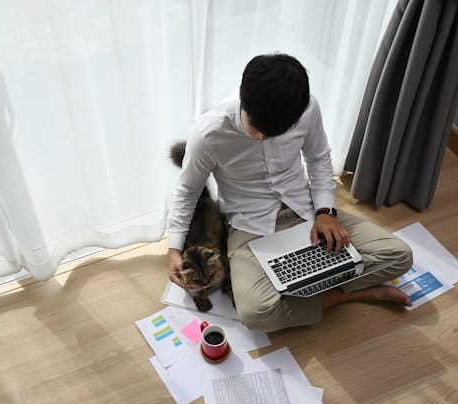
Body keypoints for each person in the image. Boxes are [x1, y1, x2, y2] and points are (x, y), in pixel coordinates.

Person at [167, 53, 413, 332]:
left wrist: (325, 212)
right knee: (255, 314)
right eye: (257, 128)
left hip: (305, 210)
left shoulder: (307, 109)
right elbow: (187, 191)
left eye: (274, 132)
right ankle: (352, 294)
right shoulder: (209, 132)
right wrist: (174, 249)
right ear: (242, 97)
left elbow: (319, 159)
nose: (262, 138)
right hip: (250, 226)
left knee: (399, 255)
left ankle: (312, 293)